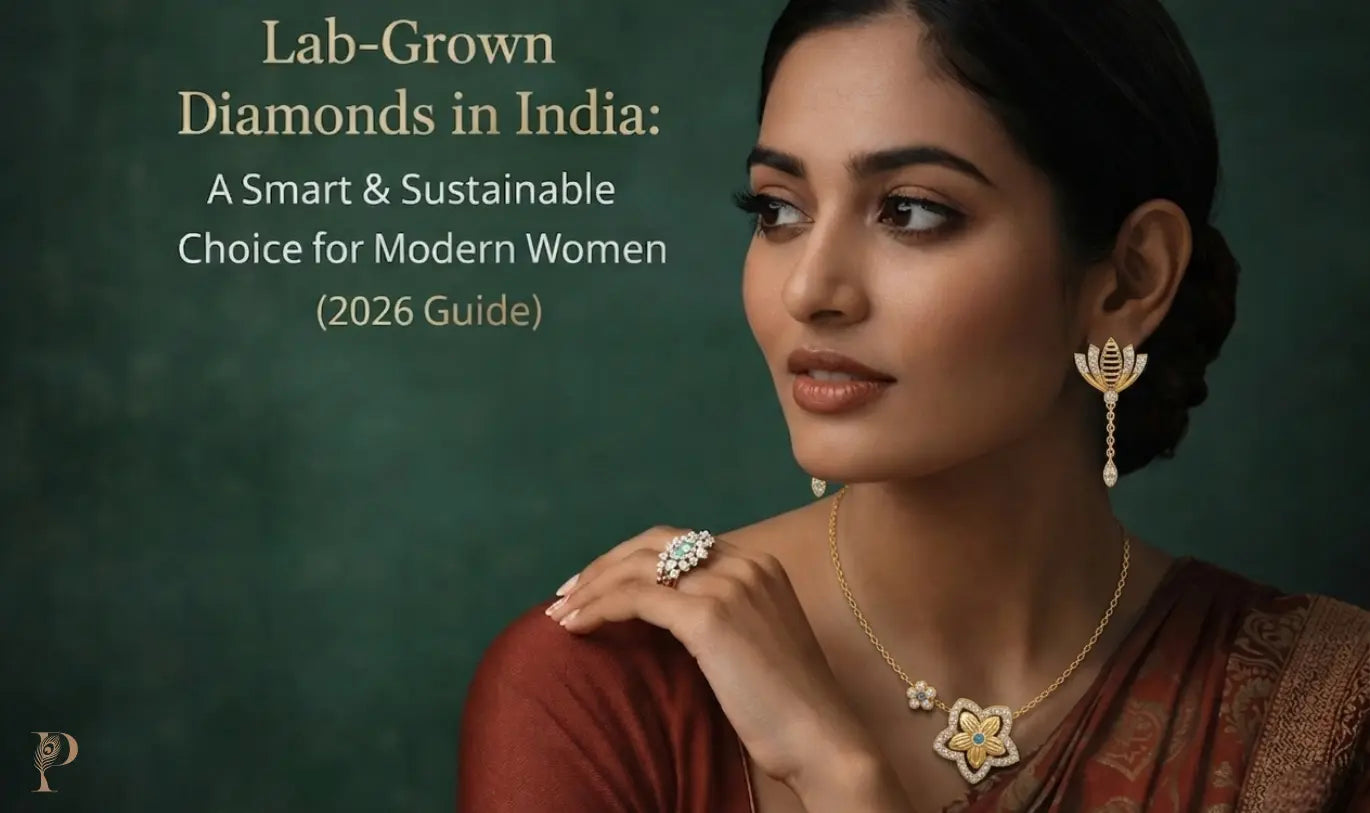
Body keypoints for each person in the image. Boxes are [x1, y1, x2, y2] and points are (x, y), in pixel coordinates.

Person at [457, 1, 1370, 810]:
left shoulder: (1319, 704)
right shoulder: (609, 683)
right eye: (778, 210)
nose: (810, 289)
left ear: (1130, 279)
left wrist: (840, 776)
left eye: (913, 211)